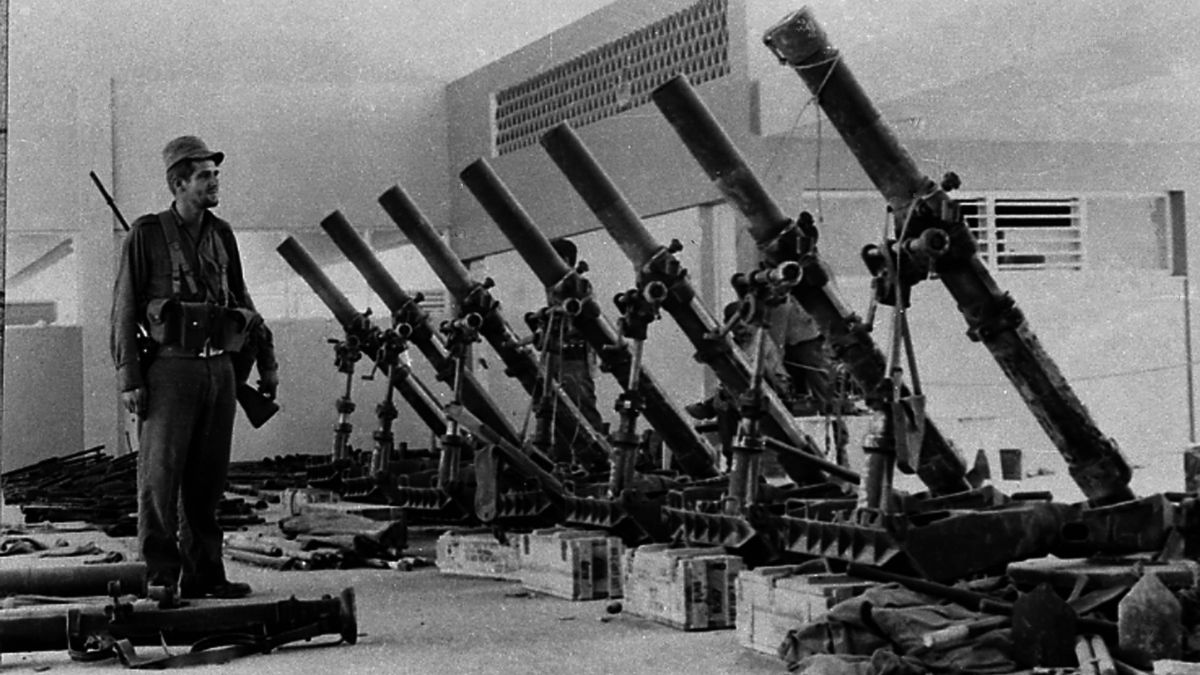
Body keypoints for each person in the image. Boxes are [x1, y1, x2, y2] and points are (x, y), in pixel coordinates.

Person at [110, 135, 278, 604]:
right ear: (179, 183)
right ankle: (162, 576)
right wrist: (130, 379)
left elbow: (242, 302)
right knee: (159, 479)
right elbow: (123, 309)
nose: (213, 182)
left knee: (209, 481)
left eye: (215, 174)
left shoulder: (222, 234)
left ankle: (207, 573)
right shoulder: (145, 234)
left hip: (220, 372)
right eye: (204, 176)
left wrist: (266, 361)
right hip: (170, 373)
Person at [544, 237, 607, 471]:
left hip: (575, 358)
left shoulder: (579, 286)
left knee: (582, 407)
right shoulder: (555, 287)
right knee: (558, 412)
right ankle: (563, 463)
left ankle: (600, 460)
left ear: (566, 260)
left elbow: (589, 314)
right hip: (557, 356)